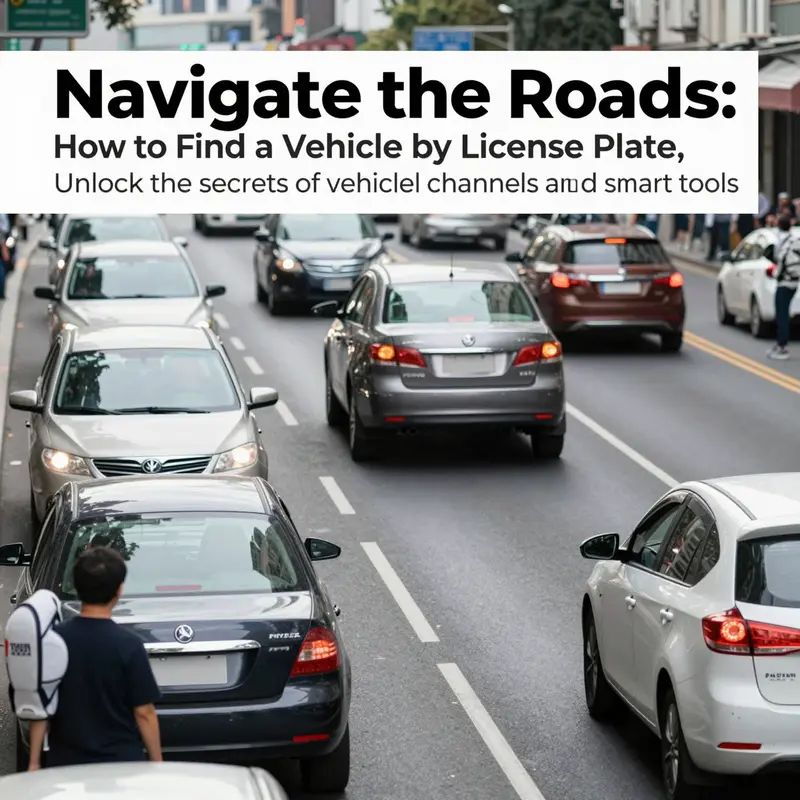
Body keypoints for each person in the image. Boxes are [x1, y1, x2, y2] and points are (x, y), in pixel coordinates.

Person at [27, 546, 162, 770]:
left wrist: (34, 762)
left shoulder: (54, 641)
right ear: (119, 591)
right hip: (122, 763)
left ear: (77, 589)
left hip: (66, 763)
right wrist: (157, 763)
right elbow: (144, 712)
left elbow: (41, 706)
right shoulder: (129, 644)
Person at [767, 215, 800, 361]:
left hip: (784, 282)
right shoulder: (794, 239)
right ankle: (780, 343)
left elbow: (780, 261)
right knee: (782, 313)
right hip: (793, 282)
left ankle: (782, 346)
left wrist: (776, 274)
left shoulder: (782, 241)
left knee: (781, 314)